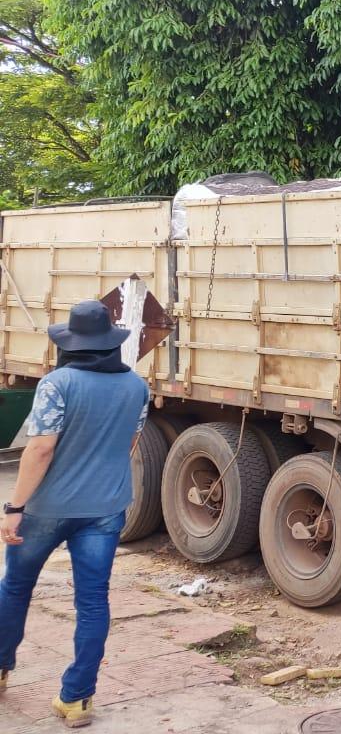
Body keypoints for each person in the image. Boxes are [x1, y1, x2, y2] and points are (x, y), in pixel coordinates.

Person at [0, 300, 149, 729]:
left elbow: (41, 448)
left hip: (47, 509)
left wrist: (15, 507)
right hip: (105, 510)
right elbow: (129, 445)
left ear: (72, 344)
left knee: (15, 588)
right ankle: (77, 699)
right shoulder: (137, 387)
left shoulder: (57, 383)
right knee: (92, 601)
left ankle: (1, 665)